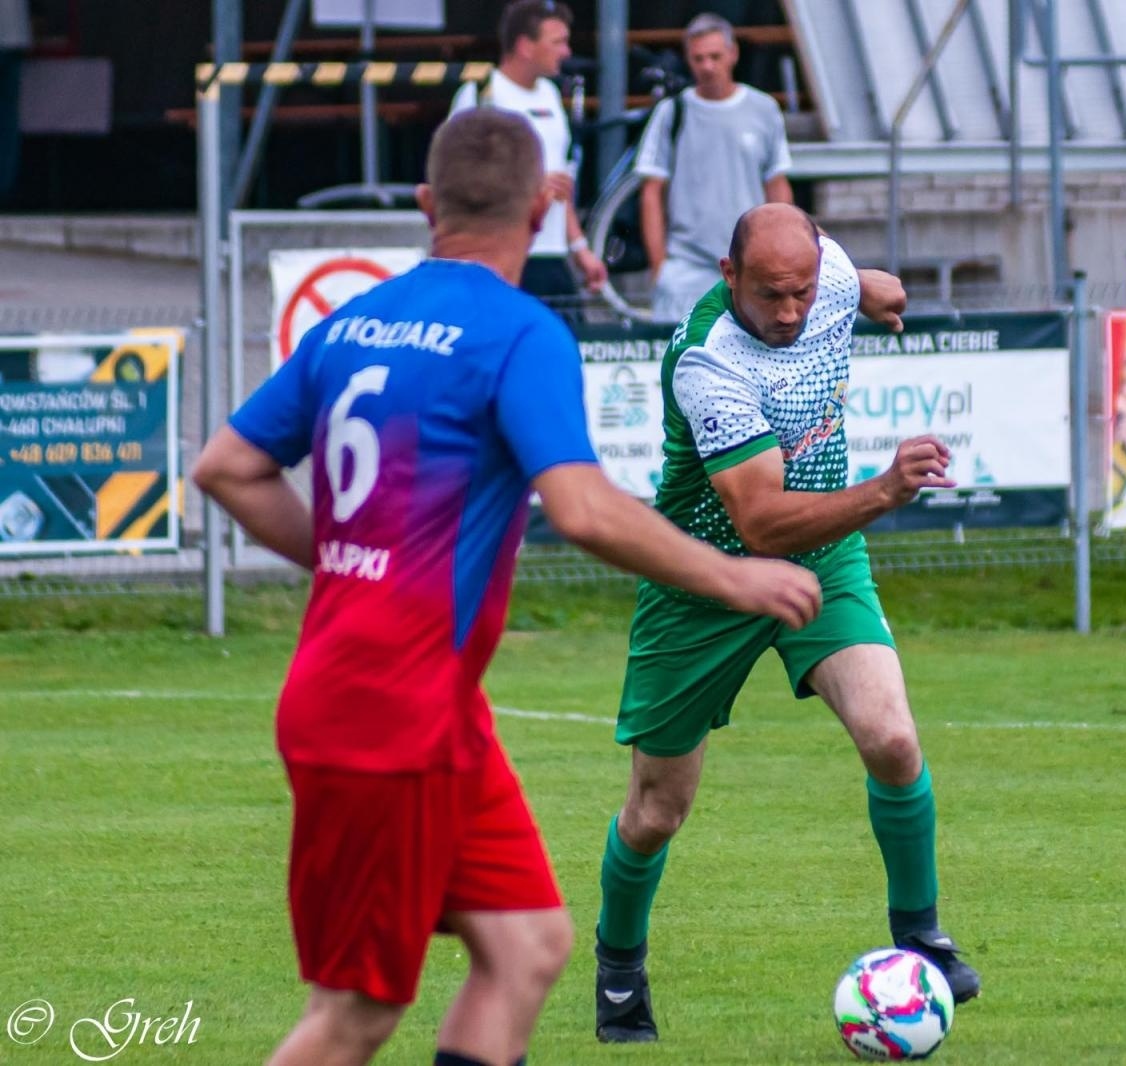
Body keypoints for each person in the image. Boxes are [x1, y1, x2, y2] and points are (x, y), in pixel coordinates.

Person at [191, 110, 821, 1066]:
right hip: (383, 715)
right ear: (543, 204)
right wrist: (732, 573)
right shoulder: (521, 333)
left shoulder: (351, 323)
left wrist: (350, 556)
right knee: (355, 1015)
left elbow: (227, 465)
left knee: (529, 946)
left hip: (428, 708)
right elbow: (581, 507)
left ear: (423, 205)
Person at [590, 202, 980, 1045]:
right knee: (657, 810)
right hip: (707, 580)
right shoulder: (709, 361)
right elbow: (761, 521)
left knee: (893, 738)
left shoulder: (823, 278)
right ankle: (620, 970)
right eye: (771, 295)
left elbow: (860, 283)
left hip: (821, 559)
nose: (792, 312)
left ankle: (920, 934)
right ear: (729, 278)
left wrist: (871, 293)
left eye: (804, 291)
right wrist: (883, 491)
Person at [635, 13, 794, 324]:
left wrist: (781, 249)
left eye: (714, 57)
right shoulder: (671, 112)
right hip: (685, 268)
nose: (707, 66)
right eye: (698, 58)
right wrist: (660, 267)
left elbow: (776, 184)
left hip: (749, 267)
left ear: (732, 55)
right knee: (679, 363)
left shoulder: (764, 110)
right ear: (688, 60)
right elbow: (651, 190)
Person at [449, 0, 607, 308]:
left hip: (552, 254)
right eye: (557, 42)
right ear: (525, 46)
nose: (566, 52)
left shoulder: (549, 94)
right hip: (500, 255)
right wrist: (528, 184)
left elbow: (559, 185)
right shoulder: (480, 94)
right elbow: (457, 180)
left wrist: (580, 248)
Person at [0, 0, 28, 205]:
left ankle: (5, 189)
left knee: (7, 121)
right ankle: (5, 190)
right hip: (13, 35)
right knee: (7, 120)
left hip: (12, 36)